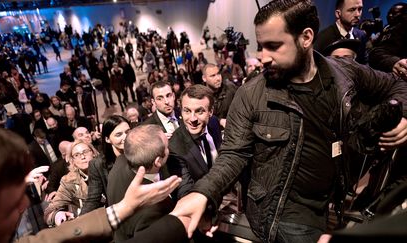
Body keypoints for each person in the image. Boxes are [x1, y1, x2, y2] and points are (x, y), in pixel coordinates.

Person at [170, 1, 407, 243]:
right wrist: (203, 192)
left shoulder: (345, 73)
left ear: (306, 38)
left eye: (274, 46)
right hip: (284, 216)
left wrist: (405, 117)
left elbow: (398, 85)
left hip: (331, 204)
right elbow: (233, 154)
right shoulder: (251, 94)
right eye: (261, 47)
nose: (263, 58)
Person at [0, 124, 187, 243]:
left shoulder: (110, 165)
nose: (23, 207)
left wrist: (123, 207)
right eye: (12, 205)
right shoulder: (68, 181)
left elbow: (52, 239)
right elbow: (57, 212)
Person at [107, 124, 175, 242]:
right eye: (167, 147)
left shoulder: (120, 161)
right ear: (158, 161)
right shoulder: (156, 208)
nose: (169, 149)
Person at [167, 85, 222, 199]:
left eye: (199, 111)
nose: (192, 119)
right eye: (187, 111)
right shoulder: (174, 147)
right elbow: (185, 193)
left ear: (210, 111)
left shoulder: (214, 123)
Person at [81, 115, 130, 214]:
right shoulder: (97, 164)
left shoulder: (140, 153)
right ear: (107, 139)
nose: (126, 137)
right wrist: (78, 222)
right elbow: (93, 199)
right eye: (118, 134)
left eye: (128, 132)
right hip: (120, 213)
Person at [44, 140, 100, 226]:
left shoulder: (106, 168)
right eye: (76, 155)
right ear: (72, 161)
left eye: (85, 152)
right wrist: (57, 215)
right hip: (91, 223)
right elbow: (48, 212)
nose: (82, 157)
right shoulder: (69, 181)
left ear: (93, 153)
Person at [314, 0, 368, 64]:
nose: (357, 14)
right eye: (352, 10)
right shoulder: (323, 38)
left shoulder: (361, 36)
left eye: (360, 9)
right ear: (338, 14)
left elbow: (364, 65)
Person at [369, 3, 407, 80]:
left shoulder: (403, 28)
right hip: (379, 70)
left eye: (394, 13)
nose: (390, 15)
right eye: (389, 13)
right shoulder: (387, 28)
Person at [202, 63, 237, 129]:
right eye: (213, 76)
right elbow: (202, 117)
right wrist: (219, 121)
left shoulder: (230, 88)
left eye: (218, 74)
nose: (218, 78)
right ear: (204, 78)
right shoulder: (201, 96)